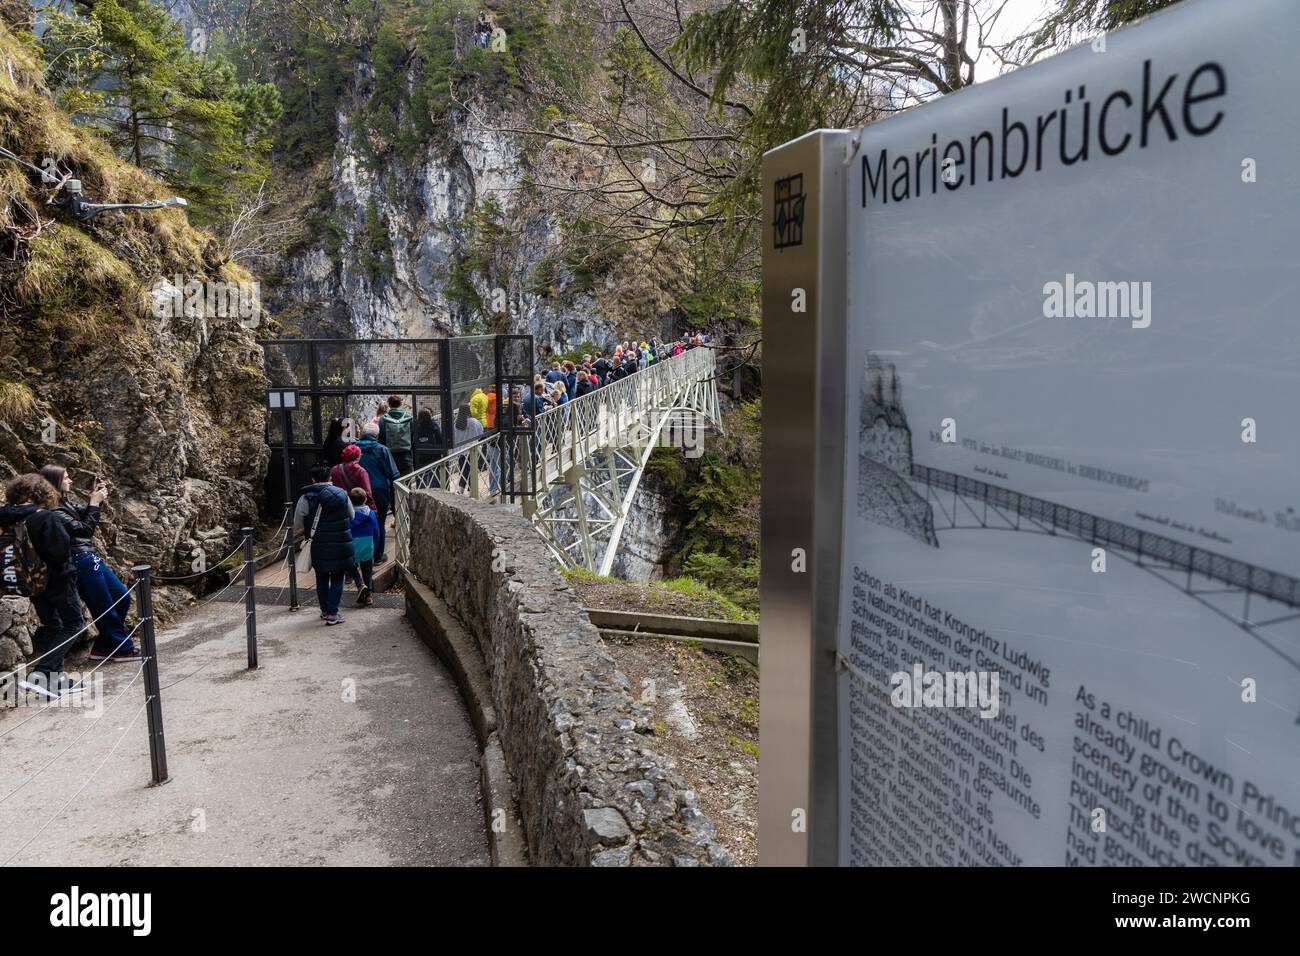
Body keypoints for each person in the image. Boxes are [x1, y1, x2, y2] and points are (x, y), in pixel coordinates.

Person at [39, 465, 137, 662]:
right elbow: (84, 530)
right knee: (104, 605)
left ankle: (103, 647)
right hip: (78, 560)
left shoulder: (63, 502)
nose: (70, 481)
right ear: (55, 482)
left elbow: (85, 517)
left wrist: (96, 499)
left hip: (89, 556)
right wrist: (93, 503)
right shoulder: (52, 511)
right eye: (66, 478)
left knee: (122, 597)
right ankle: (122, 648)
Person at [0, 474, 83, 698]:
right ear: (39, 492)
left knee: (53, 625)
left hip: (30, 583)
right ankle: (43, 672)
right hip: (58, 580)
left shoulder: (6, 518)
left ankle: (55, 681)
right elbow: (59, 551)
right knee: (74, 624)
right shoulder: (44, 517)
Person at [293, 464, 354, 625]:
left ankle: (325, 610)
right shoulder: (342, 494)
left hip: (317, 543)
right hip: (340, 543)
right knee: (337, 577)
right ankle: (333, 613)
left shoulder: (306, 497)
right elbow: (352, 515)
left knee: (321, 577)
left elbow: (298, 522)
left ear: (313, 479)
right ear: (330, 478)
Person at [356, 423, 400, 563]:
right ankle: (377, 556)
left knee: (357, 521)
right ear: (376, 435)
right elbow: (393, 473)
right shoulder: (382, 450)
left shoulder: (354, 449)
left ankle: (360, 556)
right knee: (379, 522)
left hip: (357, 491)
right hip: (379, 490)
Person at [345, 487, 379, 607]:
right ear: (365, 499)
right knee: (367, 571)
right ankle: (368, 595)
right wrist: (376, 546)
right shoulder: (371, 514)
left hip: (352, 545)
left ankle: (360, 584)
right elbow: (376, 531)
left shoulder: (348, 514)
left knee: (352, 566)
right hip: (367, 545)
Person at [379, 395, 414, 476]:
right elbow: (413, 437)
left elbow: (381, 439)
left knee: (392, 485)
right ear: (401, 403)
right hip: (406, 457)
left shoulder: (383, 419)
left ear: (389, 405)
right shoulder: (409, 418)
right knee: (405, 486)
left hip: (389, 458)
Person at [329, 443, 374, 508]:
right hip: (355, 507)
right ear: (357, 456)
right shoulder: (360, 471)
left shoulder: (334, 469)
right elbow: (367, 494)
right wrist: (373, 509)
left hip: (339, 506)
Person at [452, 404, 484, 492]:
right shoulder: (474, 422)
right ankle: (472, 489)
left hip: (461, 451)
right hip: (473, 450)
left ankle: (461, 488)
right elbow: (480, 433)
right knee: (472, 470)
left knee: (463, 469)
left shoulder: (456, 424)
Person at [414, 407, 444, 473]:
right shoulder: (434, 425)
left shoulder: (416, 426)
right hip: (433, 453)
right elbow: (440, 438)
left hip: (420, 454)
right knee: (434, 474)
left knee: (422, 474)